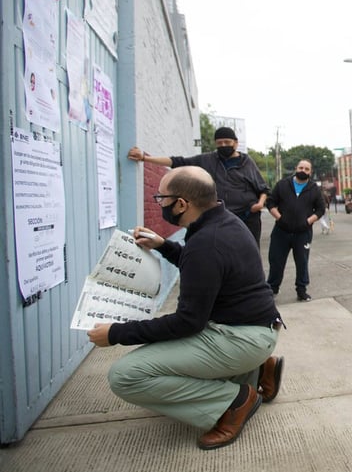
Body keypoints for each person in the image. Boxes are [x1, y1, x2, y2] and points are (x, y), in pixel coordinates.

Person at [87, 166, 284, 450]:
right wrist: (163, 246)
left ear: (181, 203)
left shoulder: (206, 242)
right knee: (182, 367)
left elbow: (187, 323)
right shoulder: (223, 222)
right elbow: (205, 271)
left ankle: (235, 401)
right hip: (257, 327)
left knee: (126, 375)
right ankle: (259, 366)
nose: (161, 204)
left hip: (240, 336)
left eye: (162, 199)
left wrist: (116, 333)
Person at [127, 127, 269, 244]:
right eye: (220, 143)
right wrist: (145, 158)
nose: (224, 146)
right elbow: (177, 162)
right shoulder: (208, 160)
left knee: (248, 251)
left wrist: (259, 204)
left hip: (247, 218)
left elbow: (262, 189)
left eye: (227, 142)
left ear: (236, 143)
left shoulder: (247, 163)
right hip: (220, 217)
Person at [266, 159, 326, 301]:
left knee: (302, 262)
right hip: (281, 231)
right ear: (296, 168)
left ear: (310, 172)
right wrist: (279, 218)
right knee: (276, 261)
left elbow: (320, 209)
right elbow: (271, 202)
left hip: (303, 233)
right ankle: (272, 289)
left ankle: (301, 290)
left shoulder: (314, 189)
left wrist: (308, 221)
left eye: (306, 169)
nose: (303, 171)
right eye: (301, 167)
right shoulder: (282, 185)